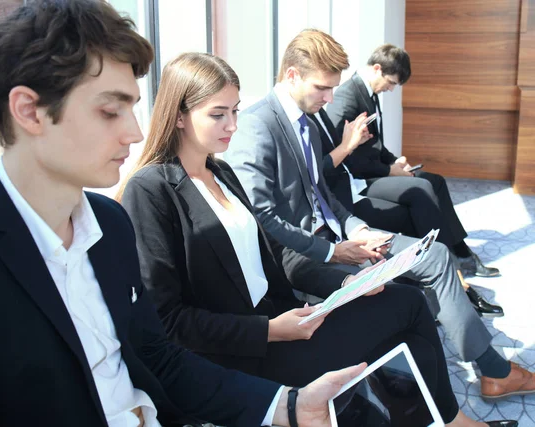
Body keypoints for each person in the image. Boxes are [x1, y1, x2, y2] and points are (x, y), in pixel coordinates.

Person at [0, 3, 376, 426]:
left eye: (131, 107)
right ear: (29, 111)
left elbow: (157, 354)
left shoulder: (108, 224)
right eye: (110, 111)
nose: (135, 131)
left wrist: (286, 405)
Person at [117, 51, 513, 427]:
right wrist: (271, 330)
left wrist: (344, 283)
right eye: (218, 114)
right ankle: (451, 420)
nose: (233, 125)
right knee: (408, 320)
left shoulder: (221, 173)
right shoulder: (151, 190)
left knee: (410, 322)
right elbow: (169, 321)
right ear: (180, 115)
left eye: (235, 111)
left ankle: (442, 419)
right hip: (243, 351)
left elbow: (277, 255)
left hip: (284, 319)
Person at [223, 28, 535, 402]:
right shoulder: (257, 125)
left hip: (336, 236)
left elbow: (321, 193)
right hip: (305, 255)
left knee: (434, 254)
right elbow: (264, 217)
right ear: (292, 75)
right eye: (323, 88)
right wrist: (332, 252)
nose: (330, 97)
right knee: (404, 295)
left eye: (333, 88)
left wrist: (359, 228)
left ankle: (491, 371)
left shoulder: (303, 122)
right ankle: (488, 374)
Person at [308, 108, 504, 318]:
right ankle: (451, 284)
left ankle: (449, 281)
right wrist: (351, 147)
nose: (329, 97)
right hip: (344, 200)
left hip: (352, 186)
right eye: (324, 88)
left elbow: (369, 150)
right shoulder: (330, 105)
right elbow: (320, 171)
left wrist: (387, 160)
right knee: (419, 201)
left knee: (423, 196)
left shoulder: (321, 110)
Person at [325, 43, 498, 279]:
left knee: (435, 181)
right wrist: (390, 171)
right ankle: (450, 263)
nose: (392, 89)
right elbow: (349, 158)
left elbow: (374, 145)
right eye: (392, 83)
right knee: (421, 187)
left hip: (373, 170)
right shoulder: (347, 98)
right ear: (377, 69)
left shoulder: (368, 93)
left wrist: (396, 162)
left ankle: (460, 251)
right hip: (360, 179)